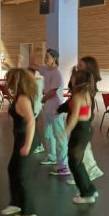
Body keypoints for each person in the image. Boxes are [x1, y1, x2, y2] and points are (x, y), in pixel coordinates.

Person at [1, 69, 40, 216]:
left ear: (16, 81)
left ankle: (29, 213)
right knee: (12, 169)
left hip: (26, 139)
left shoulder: (23, 99)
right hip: (20, 138)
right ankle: (16, 203)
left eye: (9, 80)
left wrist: (27, 145)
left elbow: (31, 121)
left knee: (22, 175)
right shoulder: (19, 95)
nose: (7, 83)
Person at [30, 48, 69, 176]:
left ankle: (63, 165)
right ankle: (52, 157)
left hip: (56, 109)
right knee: (48, 134)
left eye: (47, 57)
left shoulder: (57, 73)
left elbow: (52, 92)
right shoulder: (46, 70)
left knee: (60, 137)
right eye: (45, 56)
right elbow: (32, 65)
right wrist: (33, 52)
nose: (45, 59)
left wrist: (43, 99)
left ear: (54, 58)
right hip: (47, 108)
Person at [67, 56, 104, 184]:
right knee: (83, 147)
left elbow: (86, 108)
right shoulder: (81, 85)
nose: (78, 67)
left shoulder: (88, 87)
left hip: (82, 122)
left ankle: (88, 172)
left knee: (81, 149)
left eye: (81, 65)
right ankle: (90, 170)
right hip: (81, 121)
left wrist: (69, 128)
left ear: (89, 67)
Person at [65, 70, 98, 204]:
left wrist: (66, 132)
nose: (71, 80)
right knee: (78, 162)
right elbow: (88, 114)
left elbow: (74, 118)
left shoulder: (78, 96)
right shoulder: (86, 93)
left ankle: (86, 195)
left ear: (77, 80)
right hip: (85, 128)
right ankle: (89, 189)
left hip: (80, 130)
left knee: (74, 163)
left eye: (72, 78)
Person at [28, 68, 45, 154]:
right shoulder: (36, 82)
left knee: (33, 127)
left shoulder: (36, 83)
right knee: (33, 127)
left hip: (35, 107)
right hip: (35, 107)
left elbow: (36, 97)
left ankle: (39, 145)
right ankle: (37, 144)